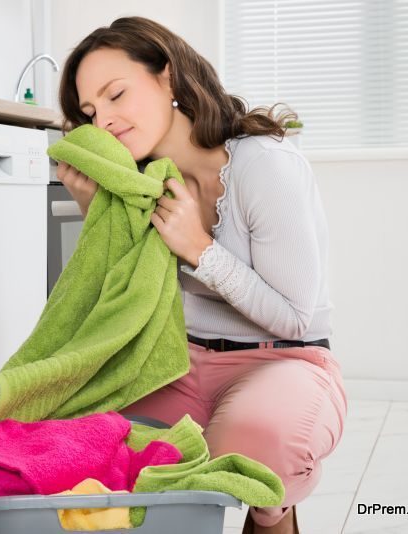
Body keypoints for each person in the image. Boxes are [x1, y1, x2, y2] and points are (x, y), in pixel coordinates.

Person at [55, 16, 347, 534]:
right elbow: (122, 307)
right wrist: (95, 214)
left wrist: (200, 248)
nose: (105, 121)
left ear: (168, 77)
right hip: (176, 361)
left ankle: (270, 512)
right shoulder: (139, 183)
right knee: (70, 432)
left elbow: (294, 318)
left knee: (253, 446)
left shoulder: (264, 164)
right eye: (91, 112)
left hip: (284, 360)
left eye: (117, 94)